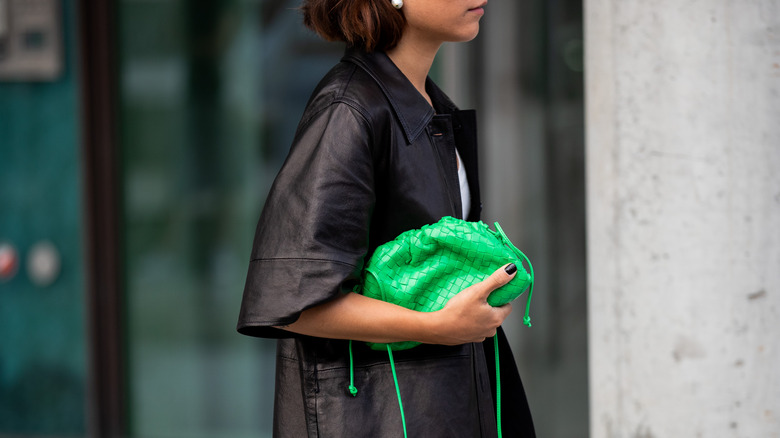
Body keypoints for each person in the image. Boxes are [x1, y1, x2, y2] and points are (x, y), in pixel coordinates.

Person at [237, 0, 535, 436]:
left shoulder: (427, 106)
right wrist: (436, 326)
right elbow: (292, 302)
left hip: (443, 402)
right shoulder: (349, 110)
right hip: (378, 415)